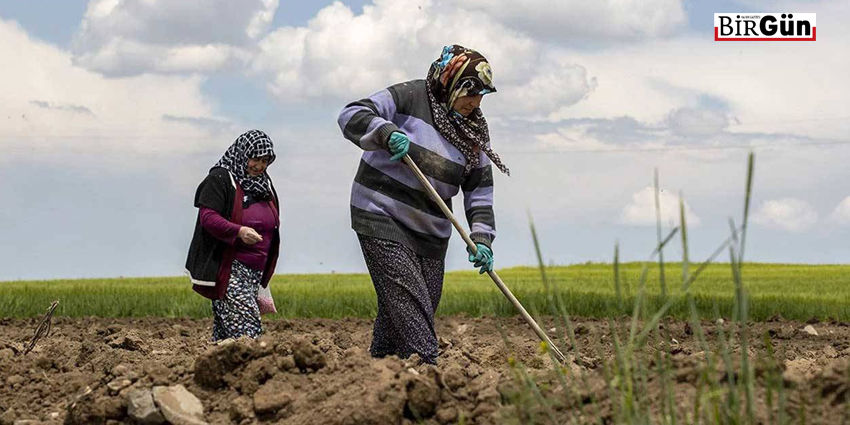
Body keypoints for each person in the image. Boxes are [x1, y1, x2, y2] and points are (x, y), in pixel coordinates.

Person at [337, 45, 510, 364]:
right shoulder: (411, 96)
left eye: (482, 96)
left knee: (411, 306)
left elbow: (480, 192)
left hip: (431, 231)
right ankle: (426, 369)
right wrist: (385, 133)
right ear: (452, 82)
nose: (475, 103)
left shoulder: (473, 133)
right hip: (382, 214)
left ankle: (379, 369)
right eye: (470, 93)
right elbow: (351, 114)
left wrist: (482, 239)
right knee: (411, 306)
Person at [185, 130, 281, 341]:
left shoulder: (264, 184)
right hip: (229, 269)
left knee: (225, 336)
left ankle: (217, 370)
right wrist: (239, 231)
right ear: (242, 154)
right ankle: (254, 370)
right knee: (248, 331)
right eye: (255, 158)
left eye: (265, 160)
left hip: (255, 273)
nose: (259, 165)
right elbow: (208, 217)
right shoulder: (220, 179)